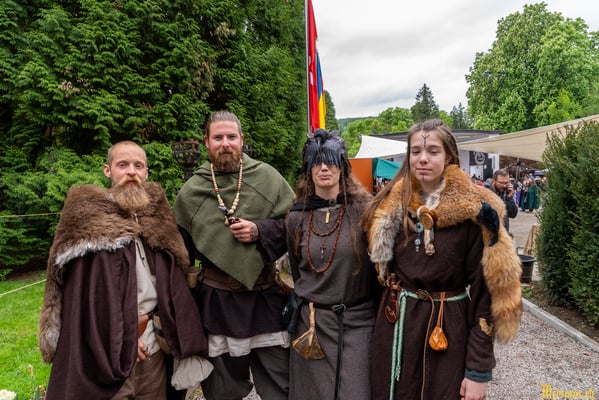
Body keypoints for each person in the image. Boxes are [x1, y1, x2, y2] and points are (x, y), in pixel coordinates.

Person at [361, 119, 522, 400]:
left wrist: (478, 371)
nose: (422, 158)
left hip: (447, 329)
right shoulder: (388, 207)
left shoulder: (476, 211)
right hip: (395, 326)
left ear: (448, 156)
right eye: (415, 151)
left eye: (433, 151)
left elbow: (485, 296)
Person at [39, 141, 208, 399]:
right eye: (122, 165)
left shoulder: (158, 219)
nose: (131, 171)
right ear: (108, 170)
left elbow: (172, 285)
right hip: (105, 352)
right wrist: (125, 338)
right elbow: (85, 299)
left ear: (146, 172)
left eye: (138, 166)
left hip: (152, 350)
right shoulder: (88, 220)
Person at [173, 111, 295, 400]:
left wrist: (260, 230)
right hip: (217, 303)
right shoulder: (192, 191)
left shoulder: (268, 178)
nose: (225, 143)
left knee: (282, 387)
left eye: (231, 137)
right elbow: (180, 252)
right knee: (222, 391)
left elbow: (296, 226)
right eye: (218, 138)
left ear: (242, 140)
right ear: (207, 142)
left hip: (265, 299)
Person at [285, 129, 380, 400]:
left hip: (359, 321)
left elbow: (378, 270)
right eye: (316, 161)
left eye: (330, 160)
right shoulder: (296, 217)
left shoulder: (364, 212)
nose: (324, 168)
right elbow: (297, 269)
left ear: (343, 166)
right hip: (313, 324)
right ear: (308, 168)